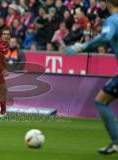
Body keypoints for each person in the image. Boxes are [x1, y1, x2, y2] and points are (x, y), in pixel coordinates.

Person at [63, 0, 118, 155]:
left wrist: (81, 46)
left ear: (108, 5)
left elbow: (106, 37)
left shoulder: (112, 20)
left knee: (101, 101)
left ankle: (116, 142)